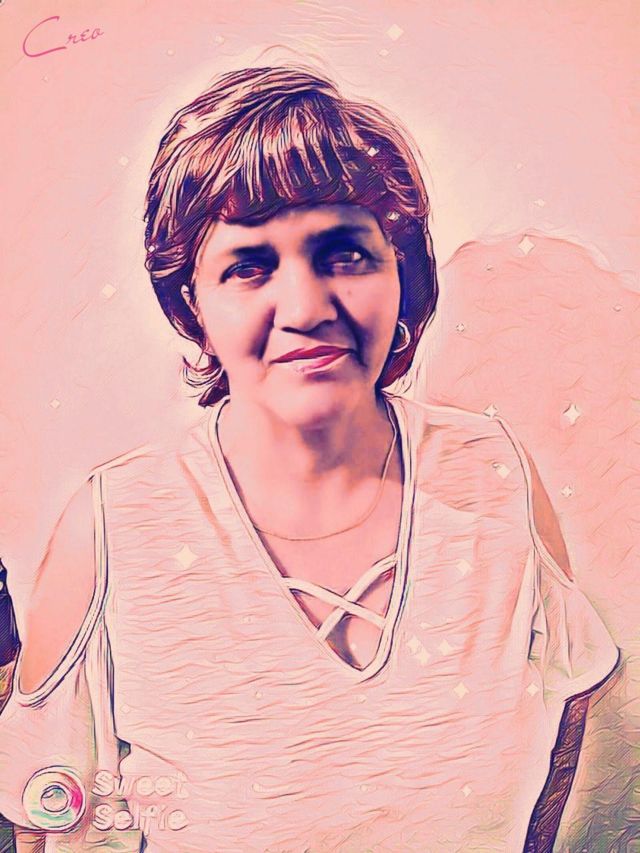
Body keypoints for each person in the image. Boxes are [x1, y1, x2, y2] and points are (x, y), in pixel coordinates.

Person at [0, 64, 621, 853]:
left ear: (402, 274)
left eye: (346, 255)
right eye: (248, 266)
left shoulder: (493, 475)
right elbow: (50, 819)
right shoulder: (111, 528)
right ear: (192, 304)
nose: (303, 308)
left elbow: (568, 699)